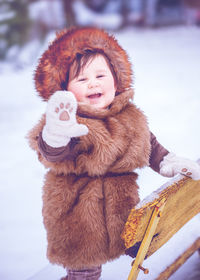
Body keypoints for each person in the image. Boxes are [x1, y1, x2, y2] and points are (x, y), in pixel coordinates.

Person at [28, 27, 200, 280]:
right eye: (81, 79)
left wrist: (168, 161)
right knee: (84, 271)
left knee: (109, 256)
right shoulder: (65, 120)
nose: (93, 83)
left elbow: (149, 144)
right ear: (63, 89)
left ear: (117, 79)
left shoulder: (128, 116)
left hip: (118, 209)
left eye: (100, 75)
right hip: (77, 213)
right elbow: (53, 152)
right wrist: (57, 134)